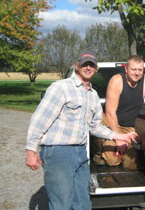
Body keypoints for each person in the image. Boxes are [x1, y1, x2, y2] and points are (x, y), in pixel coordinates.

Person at [25, 51, 137, 210]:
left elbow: (95, 126)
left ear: (96, 69)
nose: (88, 67)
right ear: (77, 66)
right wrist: (31, 149)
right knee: (62, 203)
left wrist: (118, 135)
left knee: (83, 203)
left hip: (81, 153)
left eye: (92, 65)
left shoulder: (93, 95)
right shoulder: (61, 87)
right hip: (59, 152)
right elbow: (40, 119)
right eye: (85, 64)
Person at [93, 55, 145, 169]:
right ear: (126, 69)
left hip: (128, 127)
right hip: (109, 123)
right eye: (133, 69)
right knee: (112, 159)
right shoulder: (117, 81)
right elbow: (110, 113)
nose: (137, 73)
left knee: (131, 163)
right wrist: (118, 138)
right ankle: (99, 152)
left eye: (140, 70)